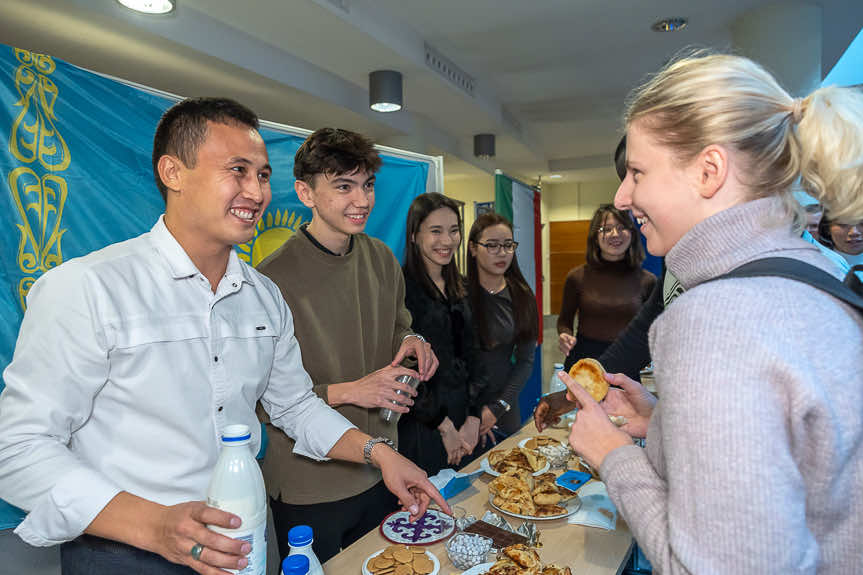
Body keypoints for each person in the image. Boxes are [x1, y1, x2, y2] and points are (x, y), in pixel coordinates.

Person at [0, 98, 448, 575]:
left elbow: (294, 406)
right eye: (237, 170)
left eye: (261, 175)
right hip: (125, 551)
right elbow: (17, 448)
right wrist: (154, 526)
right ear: (173, 172)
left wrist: (379, 454)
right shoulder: (90, 287)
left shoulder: (263, 297)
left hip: (245, 536)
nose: (255, 191)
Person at [560, 53, 863, 573]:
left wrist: (613, 456)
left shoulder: (716, 315)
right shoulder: (815, 274)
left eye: (637, 171)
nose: (622, 195)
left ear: (709, 170)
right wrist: (663, 425)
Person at [255, 128, 439, 563]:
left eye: (368, 185)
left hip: (381, 468)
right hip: (309, 485)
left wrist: (411, 340)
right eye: (343, 186)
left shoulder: (381, 257)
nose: (362, 199)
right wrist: (352, 390)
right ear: (306, 192)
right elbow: (263, 403)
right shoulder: (270, 280)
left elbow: (398, 321)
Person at [398, 193, 484, 475]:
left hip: (465, 420)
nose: (447, 241)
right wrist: (444, 426)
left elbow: (474, 354)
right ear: (414, 235)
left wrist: (474, 417)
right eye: (436, 231)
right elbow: (401, 370)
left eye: (454, 230)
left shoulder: (462, 286)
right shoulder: (400, 290)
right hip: (422, 422)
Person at [466, 212, 538, 444]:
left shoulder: (522, 296)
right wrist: (471, 413)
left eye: (508, 245)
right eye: (492, 245)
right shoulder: (457, 294)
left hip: (504, 405)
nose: (502, 253)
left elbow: (526, 361)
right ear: (473, 249)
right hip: (461, 410)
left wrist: (497, 408)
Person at [557, 204, 656, 371]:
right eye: (606, 229)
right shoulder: (577, 277)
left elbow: (653, 329)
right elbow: (564, 321)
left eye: (621, 227)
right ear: (595, 236)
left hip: (629, 366)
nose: (615, 234)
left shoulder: (648, 281)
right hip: (584, 366)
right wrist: (564, 335)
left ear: (632, 233)